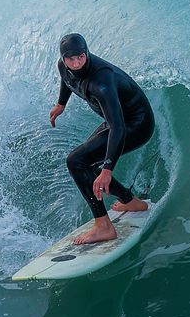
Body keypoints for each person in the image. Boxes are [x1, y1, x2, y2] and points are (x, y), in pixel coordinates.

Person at [48, 32, 155, 244]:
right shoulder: (64, 67)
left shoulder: (102, 82)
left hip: (135, 124)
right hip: (117, 119)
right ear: (64, 59)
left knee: (76, 161)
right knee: (83, 164)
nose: (76, 63)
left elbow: (117, 128)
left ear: (87, 52)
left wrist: (107, 170)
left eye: (81, 57)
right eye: (71, 59)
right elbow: (67, 79)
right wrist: (61, 104)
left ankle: (103, 227)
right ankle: (131, 202)